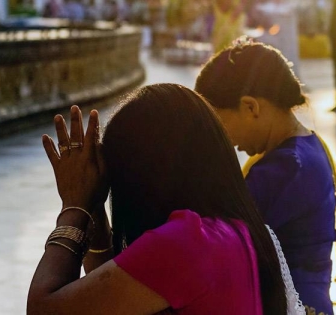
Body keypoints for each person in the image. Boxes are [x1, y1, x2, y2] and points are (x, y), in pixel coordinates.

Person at [27, 84, 305, 314]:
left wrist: (75, 206)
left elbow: (44, 310)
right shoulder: (235, 232)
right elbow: (113, 296)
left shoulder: (186, 244)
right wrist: (95, 208)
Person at [196, 39, 336, 315]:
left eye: (220, 127)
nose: (224, 142)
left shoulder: (284, 169)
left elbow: (212, 245)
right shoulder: (309, 146)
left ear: (250, 107)